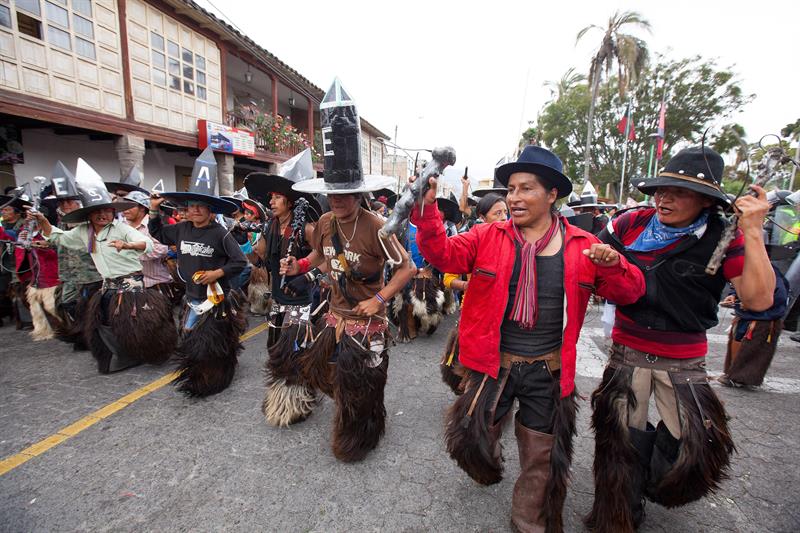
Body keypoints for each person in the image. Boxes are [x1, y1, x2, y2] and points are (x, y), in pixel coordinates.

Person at [411, 145, 645, 532]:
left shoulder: (584, 247)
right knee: (472, 441)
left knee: (540, 461)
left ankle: (529, 524)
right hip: (492, 366)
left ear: (552, 194)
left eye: (526, 189)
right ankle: (490, 460)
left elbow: (631, 292)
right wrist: (427, 212)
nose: (514, 198)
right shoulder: (487, 236)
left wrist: (616, 264)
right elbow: (443, 255)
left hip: (548, 374)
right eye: (510, 190)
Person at [585, 146, 776, 532]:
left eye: (679, 192)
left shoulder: (725, 237)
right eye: (660, 189)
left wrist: (753, 231)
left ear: (707, 201)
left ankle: (654, 484)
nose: (664, 199)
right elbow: (587, 260)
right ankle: (621, 508)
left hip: (684, 362)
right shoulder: (629, 224)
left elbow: (759, 299)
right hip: (627, 353)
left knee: (689, 451)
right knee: (620, 440)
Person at [276, 78, 416, 462]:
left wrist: (380, 299)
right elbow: (321, 257)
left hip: (367, 320)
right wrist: (299, 266)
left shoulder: (376, 226)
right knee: (334, 375)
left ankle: (364, 431)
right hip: (336, 318)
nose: (338, 201)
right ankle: (350, 417)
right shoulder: (324, 223)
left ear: (358, 193)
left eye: (346, 194)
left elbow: (408, 269)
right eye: (332, 194)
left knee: (366, 382)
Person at [36, 159, 176, 373]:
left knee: (136, 322)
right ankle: (121, 354)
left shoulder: (121, 228)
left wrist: (127, 244)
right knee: (102, 323)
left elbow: (147, 243)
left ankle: (146, 351)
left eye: (107, 211)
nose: (103, 215)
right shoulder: (84, 232)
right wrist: (42, 221)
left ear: (112, 212)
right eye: (97, 212)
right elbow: (59, 237)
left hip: (132, 286)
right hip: (107, 286)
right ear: (89, 214)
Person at [150, 146, 247, 397]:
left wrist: (217, 273)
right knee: (191, 338)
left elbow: (240, 262)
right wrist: (153, 211)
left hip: (215, 300)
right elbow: (158, 233)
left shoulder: (220, 233)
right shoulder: (181, 229)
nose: (194, 211)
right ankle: (198, 377)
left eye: (200, 207)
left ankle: (217, 375)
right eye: (191, 206)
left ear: (210, 210)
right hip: (192, 298)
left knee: (215, 342)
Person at [244, 158, 323, 427]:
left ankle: (300, 400)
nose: (272, 202)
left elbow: (324, 257)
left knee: (296, 354)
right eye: (271, 198)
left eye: (278, 197)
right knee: (276, 351)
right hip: (277, 302)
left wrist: (306, 273)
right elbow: (260, 257)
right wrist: (244, 242)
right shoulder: (270, 226)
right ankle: (281, 398)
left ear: (291, 201)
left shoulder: (307, 230)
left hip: (299, 303)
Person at [440, 192, 509, 395]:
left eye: (506, 212)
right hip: (475, 315)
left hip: (503, 317)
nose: (504, 217)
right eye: (497, 213)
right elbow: (448, 278)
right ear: (482, 217)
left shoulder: (517, 239)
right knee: (470, 368)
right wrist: (467, 286)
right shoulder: (472, 239)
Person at [719, 264, 789, 388]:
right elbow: (738, 285)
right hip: (746, 316)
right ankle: (732, 374)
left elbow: (779, 297)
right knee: (737, 341)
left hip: (764, 319)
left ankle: (741, 378)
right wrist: (733, 295)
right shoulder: (743, 268)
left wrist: (754, 304)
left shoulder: (768, 272)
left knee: (752, 350)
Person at [122, 191, 175, 299]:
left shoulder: (154, 225)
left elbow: (159, 249)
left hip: (155, 285)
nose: (125, 210)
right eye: (124, 206)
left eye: (130, 206)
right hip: (127, 286)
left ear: (142, 208)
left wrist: (128, 250)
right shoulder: (120, 226)